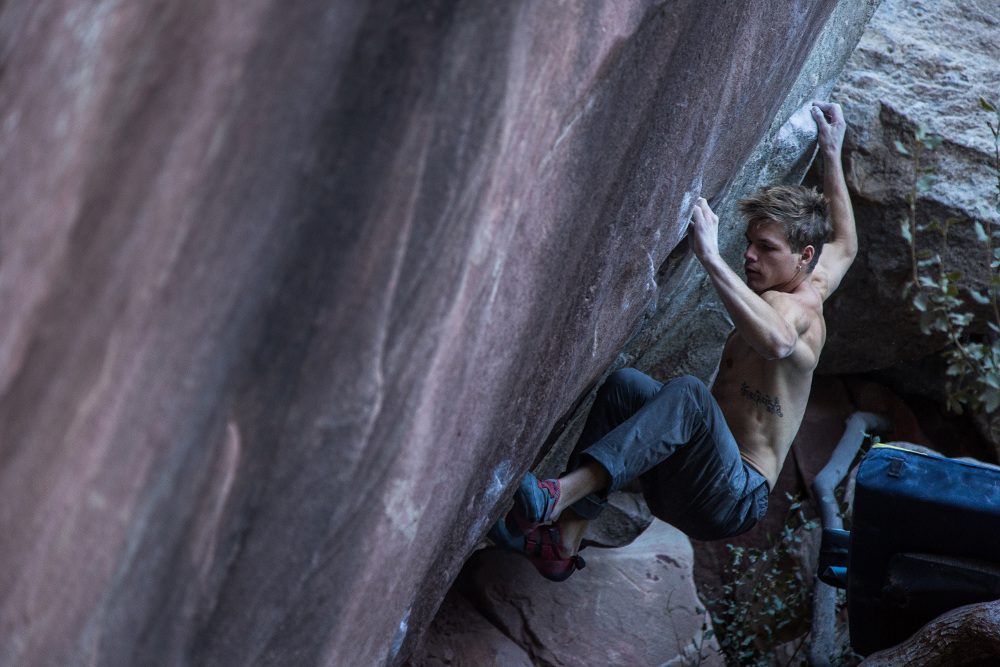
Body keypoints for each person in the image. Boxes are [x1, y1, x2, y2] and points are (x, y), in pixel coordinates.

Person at [489, 102, 857, 581]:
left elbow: (779, 342)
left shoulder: (798, 309)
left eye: (766, 248)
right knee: (625, 387)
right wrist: (832, 148)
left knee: (687, 394)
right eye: (748, 242)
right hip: (691, 477)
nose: (749, 255)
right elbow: (846, 241)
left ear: (803, 256)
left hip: (732, 497)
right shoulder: (817, 275)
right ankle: (562, 543)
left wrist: (710, 257)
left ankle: (557, 495)